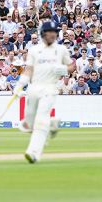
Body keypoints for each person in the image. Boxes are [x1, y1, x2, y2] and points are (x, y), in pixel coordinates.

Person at [15, 21, 74, 163]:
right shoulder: (34, 50)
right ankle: (52, 124)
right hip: (34, 87)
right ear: (43, 33)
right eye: (50, 32)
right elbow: (29, 69)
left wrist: (63, 70)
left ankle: (34, 152)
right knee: (27, 124)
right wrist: (20, 84)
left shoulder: (61, 49)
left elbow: (71, 66)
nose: (53, 35)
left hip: (50, 88)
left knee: (41, 119)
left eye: (55, 32)